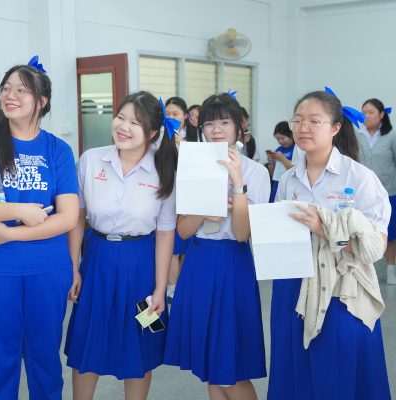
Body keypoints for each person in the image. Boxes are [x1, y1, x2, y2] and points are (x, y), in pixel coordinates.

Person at [268, 90, 391, 399]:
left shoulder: (359, 178)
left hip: (340, 289)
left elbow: (375, 247)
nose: (303, 128)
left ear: (335, 128)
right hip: (292, 286)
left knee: (337, 373)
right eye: (298, 120)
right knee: (295, 372)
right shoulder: (289, 180)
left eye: (314, 121)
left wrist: (325, 229)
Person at [64, 91, 177, 400]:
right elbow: (77, 218)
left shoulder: (164, 170)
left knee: (138, 344)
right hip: (97, 257)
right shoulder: (91, 160)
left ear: (152, 132)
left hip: (140, 260)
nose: (124, 127)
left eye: (135, 123)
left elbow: (165, 232)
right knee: (88, 341)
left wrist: (160, 289)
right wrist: (73, 267)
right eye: (120, 118)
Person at [165, 93, 270, 400]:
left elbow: (242, 234)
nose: (216, 130)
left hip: (232, 263)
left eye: (224, 122)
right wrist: (204, 210)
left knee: (229, 368)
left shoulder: (256, 172)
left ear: (239, 126)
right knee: (210, 365)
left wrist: (238, 184)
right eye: (209, 124)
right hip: (198, 262)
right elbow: (183, 230)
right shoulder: (192, 167)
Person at [0, 58, 79, 399]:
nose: (10, 95)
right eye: (6, 88)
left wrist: (8, 232)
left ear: (42, 101)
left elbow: (68, 217)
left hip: (48, 268)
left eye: (21, 90)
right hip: (1, 269)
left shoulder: (58, 149)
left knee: (45, 358)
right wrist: (21, 210)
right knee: (0, 358)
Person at [357, 98, 396, 284]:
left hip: (389, 191)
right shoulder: (358, 135)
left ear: (381, 115)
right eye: (364, 112)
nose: (366, 116)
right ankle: (365, 271)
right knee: (363, 230)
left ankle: (391, 270)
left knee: (391, 232)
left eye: (371, 112)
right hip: (363, 193)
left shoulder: (391, 136)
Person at [164, 96, 195, 302]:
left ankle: (183, 287)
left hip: (189, 198)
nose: (171, 118)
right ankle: (171, 290)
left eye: (175, 114)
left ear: (185, 116)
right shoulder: (159, 139)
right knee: (172, 247)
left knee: (187, 246)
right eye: (167, 114)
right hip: (168, 197)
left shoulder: (195, 140)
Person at [267, 121, 295, 202]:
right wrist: (271, 163)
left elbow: (294, 169)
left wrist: (282, 158)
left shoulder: (297, 149)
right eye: (277, 139)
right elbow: (273, 174)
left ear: (291, 135)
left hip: (290, 182)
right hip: (276, 182)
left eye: (282, 138)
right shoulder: (279, 150)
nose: (280, 141)